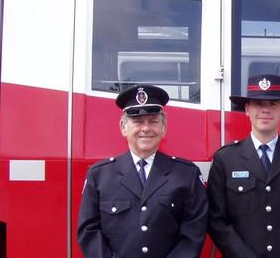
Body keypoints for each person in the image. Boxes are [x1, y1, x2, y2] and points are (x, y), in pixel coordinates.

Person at [77, 84, 208, 258]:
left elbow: (193, 232)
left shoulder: (186, 175)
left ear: (164, 127)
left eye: (153, 121)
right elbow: (89, 231)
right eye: (137, 121)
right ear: (123, 127)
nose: (146, 128)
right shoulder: (99, 176)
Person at [207, 74, 280, 257]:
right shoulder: (226, 159)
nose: (265, 110)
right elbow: (216, 220)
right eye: (258, 104)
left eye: (272, 104)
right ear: (247, 109)